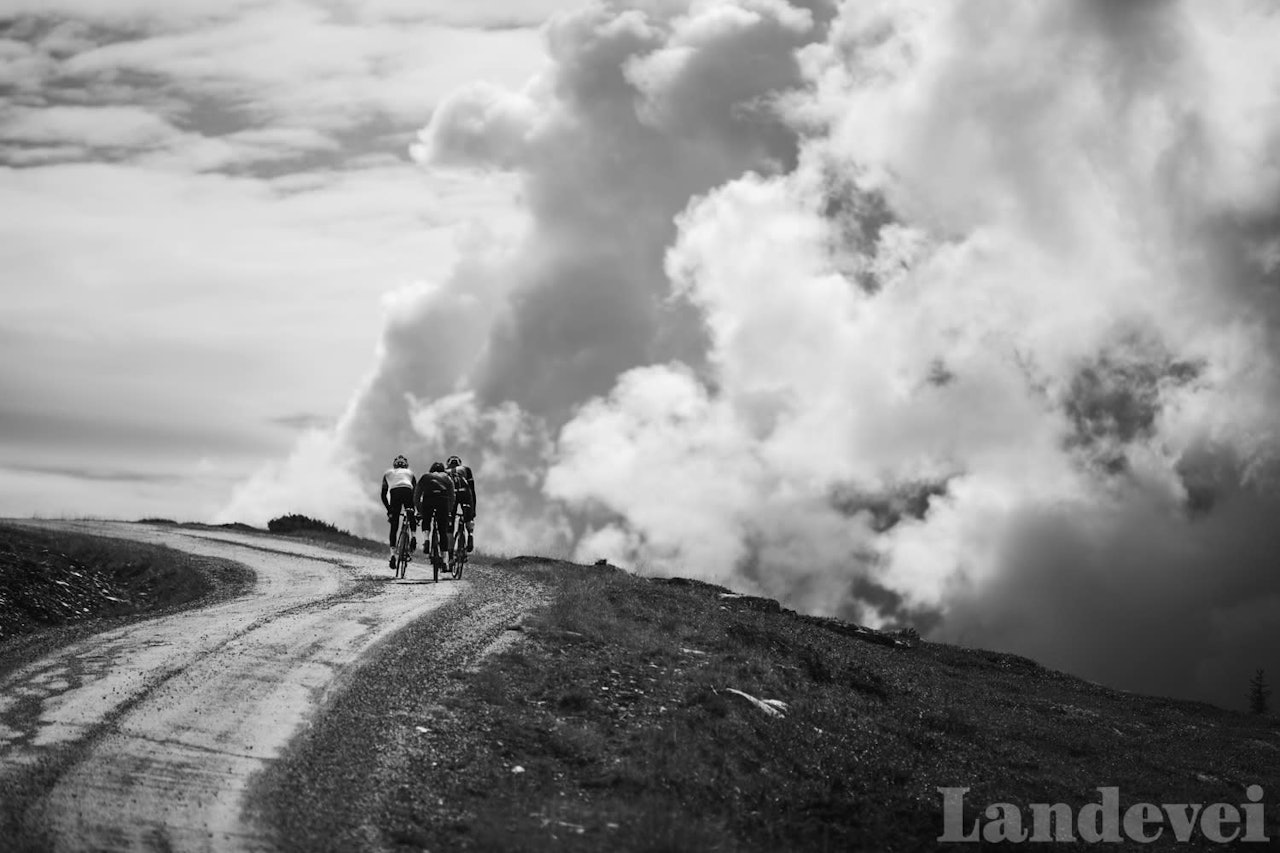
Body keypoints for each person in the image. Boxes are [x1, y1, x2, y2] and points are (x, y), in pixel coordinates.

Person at [414, 461, 455, 571]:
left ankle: (426, 540)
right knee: (442, 531)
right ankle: (445, 561)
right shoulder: (447, 477)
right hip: (443, 500)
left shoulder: (425, 476)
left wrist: (420, 510)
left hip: (429, 498)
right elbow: (452, 496)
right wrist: (449, 511)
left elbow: (417, 495)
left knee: (426, 520)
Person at [381, 454, 417, 570]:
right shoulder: (410, 473)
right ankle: (413, 536)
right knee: (410, 512)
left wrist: (389, 510)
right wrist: (415, 510)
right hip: (408, 490)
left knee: (394, 526)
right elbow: (416, 493)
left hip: (395, 492)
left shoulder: (388, 473)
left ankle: (392, 555)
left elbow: (383, 495)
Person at [445, 454, 476, 553]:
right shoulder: (466, 469)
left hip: (451, 494)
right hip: (465, 492)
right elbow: (472, 490)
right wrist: (473, 510)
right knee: (468, 518)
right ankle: (470, 535)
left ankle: (450, 553)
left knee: (449, 524)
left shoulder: (444, 472)